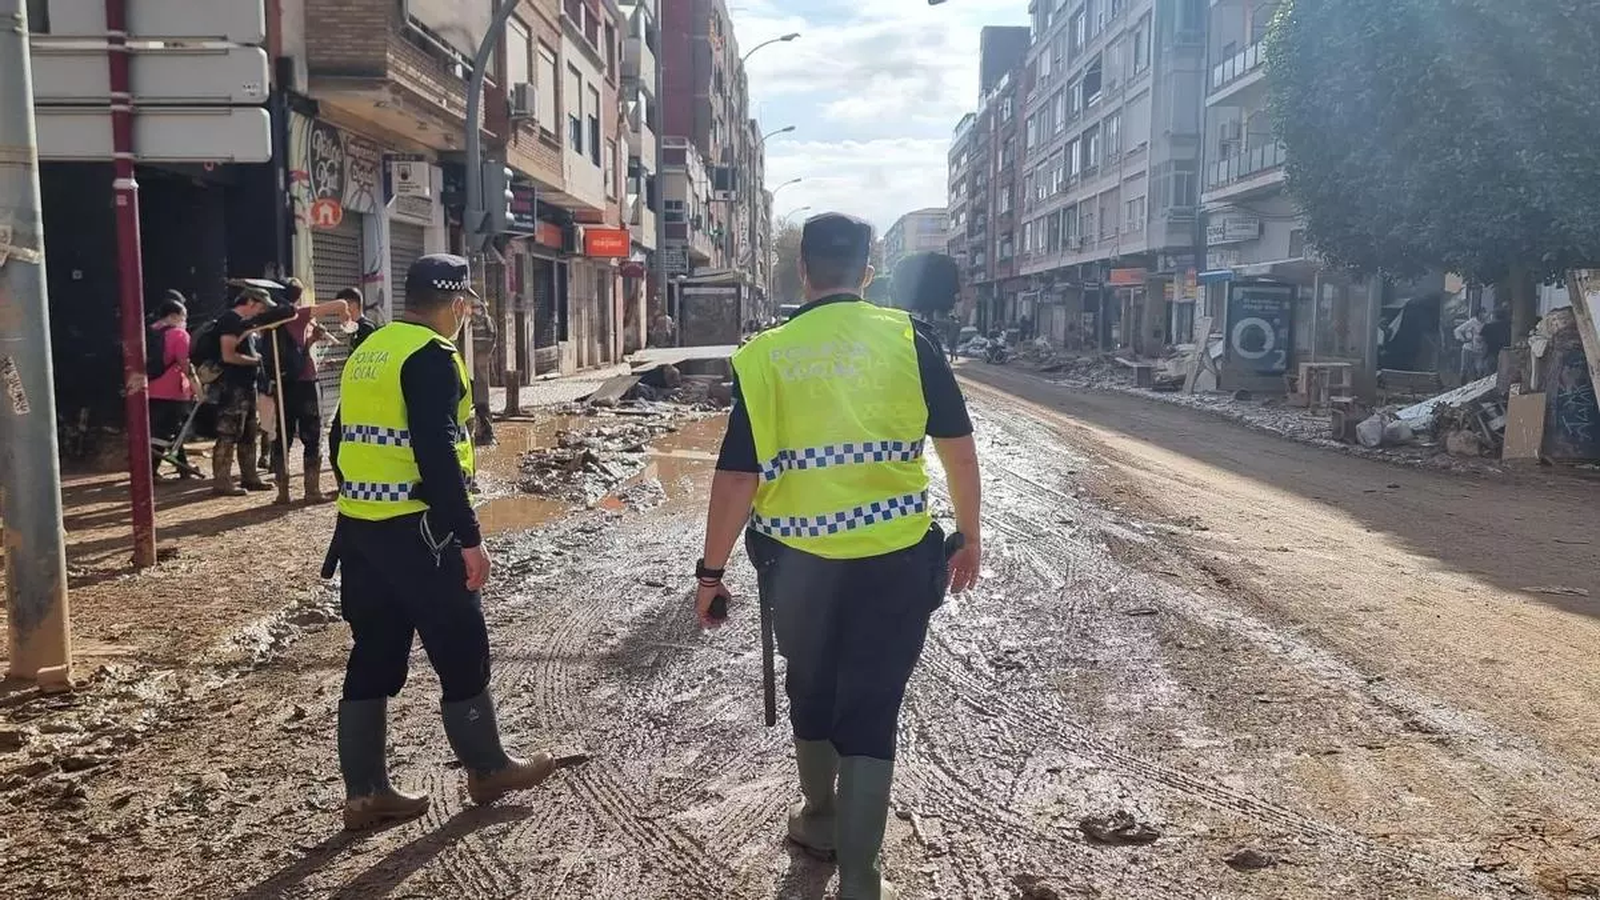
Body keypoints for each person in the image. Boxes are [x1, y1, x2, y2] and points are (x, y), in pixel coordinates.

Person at [695, 213, 983, 900]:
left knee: (812, 685)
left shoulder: (768, 354)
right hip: (896, 562)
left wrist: (710, 573)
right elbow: (959, 449)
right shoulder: (909, 339)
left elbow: (738, 476)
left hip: (797, 568)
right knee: (873, 705)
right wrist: (969, 535)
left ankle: (820, 816)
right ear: (869, 267)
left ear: (803, 271)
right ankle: (860, 877)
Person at [325, 254, 553, 832]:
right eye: (468, 306)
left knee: (374, 651)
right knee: (460, 643)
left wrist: (366, 499)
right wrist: (469, 537)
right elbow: (438, 455)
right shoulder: (433, 357)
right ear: (456, 305)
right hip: (421, 532)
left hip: (361, 530)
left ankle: (364, 794)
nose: (468, 314)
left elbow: (338, 439)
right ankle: (487, 767)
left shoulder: (368, 352)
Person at [262, 279, 351, 502]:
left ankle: (283, 492)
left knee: (283, 437)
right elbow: (338, 304)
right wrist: (345, 314)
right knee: (312, 435)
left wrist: (310, 340)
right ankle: (311, 491)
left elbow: (294, 351)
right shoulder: (298, 314)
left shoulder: (270, 320)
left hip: (283, 385)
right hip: (305, 384)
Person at [211, 288, 279, 496]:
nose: (261, 311)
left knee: (249, 434)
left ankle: (250, 477)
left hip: (248, 386)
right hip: (233, 387)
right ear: (250, 302)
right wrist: (257, 360)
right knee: (228, 433)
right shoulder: (231, 321)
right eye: (260, 306)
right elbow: (228, 355)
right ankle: (222, 481)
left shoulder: (245, 325)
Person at [148, 292, 196, 479]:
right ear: (173, 316)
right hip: (172, 390)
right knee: (166, 430)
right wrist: (196, 386)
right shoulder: (179, 334)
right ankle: (150, 470)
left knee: (172, 428)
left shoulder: (150, 331)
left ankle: (182, 466)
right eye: (183, 316)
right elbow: (185, 364)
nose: (184, 320)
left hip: (150, 387)